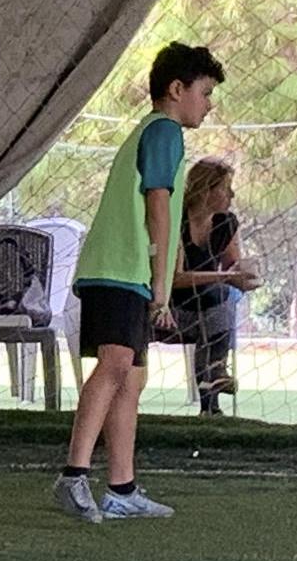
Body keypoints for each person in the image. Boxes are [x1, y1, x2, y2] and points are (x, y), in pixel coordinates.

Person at [54, 42, 225, 524]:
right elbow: (157, 205)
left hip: (124, 269)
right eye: (205, 92)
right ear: (177, 89)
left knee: (131, 377)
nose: (208, 104)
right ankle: (73, 475)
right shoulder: (166, 131)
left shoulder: (154, 132)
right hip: (121, 269)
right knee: (114, 366)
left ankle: (122, 487)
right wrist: (161, 281)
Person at [162, 156, 259, 416]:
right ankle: (214, 385)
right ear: (206, 190)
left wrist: (243, 276)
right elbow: (175, 278)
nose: (232, 195)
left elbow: (231, 266)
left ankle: (214, 382)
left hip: (205, 304)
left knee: (221, 299)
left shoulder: (226, 223)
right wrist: (224, 278)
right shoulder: (176, 219)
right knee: (220, 296)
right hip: (168, 306)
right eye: (226, 188)